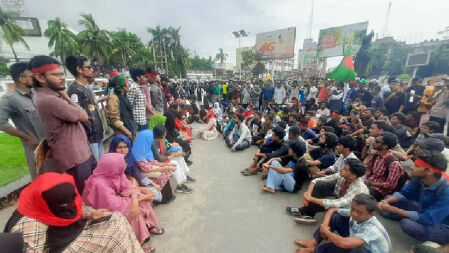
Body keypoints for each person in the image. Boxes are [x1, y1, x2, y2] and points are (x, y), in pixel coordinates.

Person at [5, 172, 144, 252]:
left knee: (117, 218)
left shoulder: (66, 195)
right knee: (115, 233)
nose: (68, 206)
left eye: (70, 200)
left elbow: (78, 207)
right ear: (45, 200)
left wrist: (92, 213)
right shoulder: (29, 222)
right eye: (62, 204)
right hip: (60, 247)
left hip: (72, 232)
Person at [31, 55, 95, 194]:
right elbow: (83, 116)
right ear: (40, 78)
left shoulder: (52, 97)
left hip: (80, 155)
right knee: (86, 196)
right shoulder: (50, 100)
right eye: (56, 75)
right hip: (75, 158)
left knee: (90, 192)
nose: (62, 78)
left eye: (61, 74)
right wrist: (66, 96)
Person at [83, 153, 162, 251]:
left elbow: (129, 187)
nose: (125, 163)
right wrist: (136, 202)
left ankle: (149, 225)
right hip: (98, 210)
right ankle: (139, 242)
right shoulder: (98, 183)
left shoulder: (115, 172)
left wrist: (136, 200)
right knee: (131, 211)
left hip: (114, 200)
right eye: (122, 162)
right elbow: (113, 205)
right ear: (112, 165)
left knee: (139, 197)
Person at [378, 150, 449, 245]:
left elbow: (429, 219)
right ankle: (405, 215)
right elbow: (406, 193)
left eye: (417, 166)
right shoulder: (419, 177)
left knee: (407, 224)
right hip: (423, 209)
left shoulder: (446, 190)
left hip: (441, 223)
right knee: (389, 198)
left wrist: (393, 209)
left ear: (428, 171)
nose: (411, 167)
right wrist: (386, 202)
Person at [295, 193, 391, 253]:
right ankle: (313, 242)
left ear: (371, 214)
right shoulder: (357, 212)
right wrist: (325, 223)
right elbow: (332, 210)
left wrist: (327, 232)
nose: (354, 213)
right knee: (336, 218)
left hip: (367, 250)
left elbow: (344, 243)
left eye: (359, 212)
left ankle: (314, 251)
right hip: (358, 239)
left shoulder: (372, 229)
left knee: (349, 246)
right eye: (353, 209)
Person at [286, 158, 368, 224]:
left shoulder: (358, 189)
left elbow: (338, 203)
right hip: (338, 196)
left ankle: (305, 212)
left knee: (330, 199)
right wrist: (307, 194)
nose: (342, 169)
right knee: (320, 184)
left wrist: (309, 199)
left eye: (345, 169)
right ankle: (308, 214)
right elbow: (317, 180)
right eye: (343, 167)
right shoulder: (342, 175)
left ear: (352, 176)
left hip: (348, 211)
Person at [0, 62, 46, 179]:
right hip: (35, 147)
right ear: (22, 79)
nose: (35, 79)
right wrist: (27, 138)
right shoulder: (9, 99)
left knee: (56, 175)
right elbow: (2, 124)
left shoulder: (36, 93)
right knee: (40, 178)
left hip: (49, 142)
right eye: (31, 77)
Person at [66, 56, 104, 161]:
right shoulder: (75, 90)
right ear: (79, 69)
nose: (92, 69)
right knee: (95, 170)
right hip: (89, 138)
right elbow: (77, 115)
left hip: (97, 135)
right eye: (88, 67)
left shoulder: (86, 88)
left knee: (101, 166)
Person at [109, 135, 162, 202]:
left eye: (125, 147)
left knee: (154, 192)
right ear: (114, 148)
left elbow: (137, 172)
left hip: (133, 183)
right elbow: (116, 183)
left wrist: (151, 183)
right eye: (119, 147)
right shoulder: (110, 162)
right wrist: (135, 185)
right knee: (142, 197)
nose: (123, 150)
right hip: (120, 190)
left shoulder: (130, 157)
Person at [132, 130, 177, 204]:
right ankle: (165, 199)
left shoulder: (144, 147)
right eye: (150, 138)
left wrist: (166, 165)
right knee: (162, 175)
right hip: (142, 173)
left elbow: (152, 162)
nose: (151, 140)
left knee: (165, 172)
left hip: (147, 169)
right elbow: (146, 167)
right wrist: (166, 167)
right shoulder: (138, 151)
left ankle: (167, 196)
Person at [152, 125, 195, 194]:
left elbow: (164, 151)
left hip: (162, 159)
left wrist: (175, 154)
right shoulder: (153, 143)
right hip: (158, 162)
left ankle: (184, 177)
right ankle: (180, 187)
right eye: (165, 132)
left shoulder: (158, 140)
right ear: (162, 135)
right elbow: (159, 158)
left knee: (179, 157)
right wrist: (174, 155)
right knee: (175, 163)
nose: (166, 134)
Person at [365, 132, 406, 201]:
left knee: (361, 195)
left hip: (381, 191)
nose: (373, 142)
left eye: (377, 141)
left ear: (385, 146)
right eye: (375, 140)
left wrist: (371, 183)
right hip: (370, 182)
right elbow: (369, 170)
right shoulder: (375, 155)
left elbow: (390, 185)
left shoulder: (393, 163)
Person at [106, 74, 138, 139]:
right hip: (122, 134)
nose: (129, 85)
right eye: (127, 83)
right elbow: (114, 120)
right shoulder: (113, 98)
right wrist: (127, 132)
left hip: (130, 130)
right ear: (123, 86)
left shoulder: (124, 95)